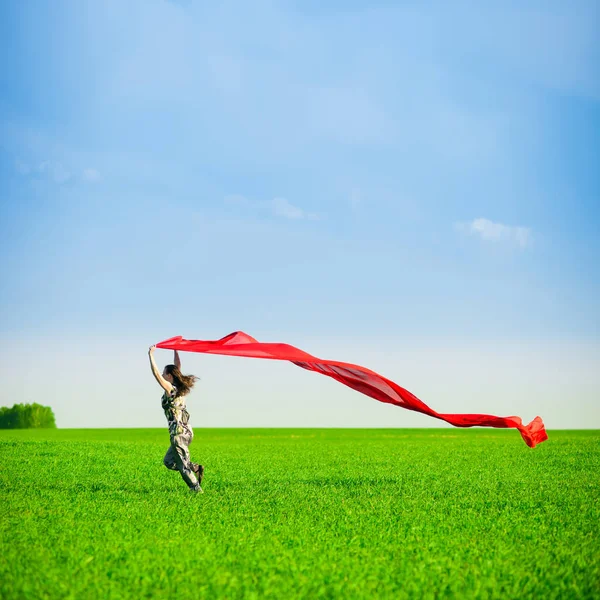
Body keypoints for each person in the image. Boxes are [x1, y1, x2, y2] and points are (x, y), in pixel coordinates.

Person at [148, 345, 204, 493]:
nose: (163, 375)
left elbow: (156, 375)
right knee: (168, 461)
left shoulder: (170, 389)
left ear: (169, 376)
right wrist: (175, 349)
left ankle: (196, 490)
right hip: (187, 432)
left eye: (165, 373)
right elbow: (177, 367)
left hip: (178, 434)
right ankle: (195, 468)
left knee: (181, 466)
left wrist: (151, 355)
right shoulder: (179, 388)